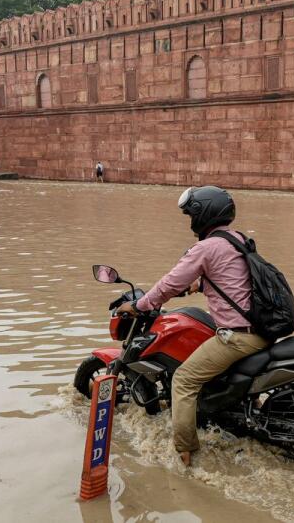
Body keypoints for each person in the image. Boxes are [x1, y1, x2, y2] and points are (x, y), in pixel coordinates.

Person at [114, 186, 267, 467]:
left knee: (184, 381)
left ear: (203, 214)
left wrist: (138, 306)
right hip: (261, 331)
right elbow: (234, 280)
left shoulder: (206, 247)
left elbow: (169, 284)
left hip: (238, 337)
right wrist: (201, 285)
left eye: (191, 215)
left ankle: (185, 452)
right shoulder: (237, 240)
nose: (190, 221)